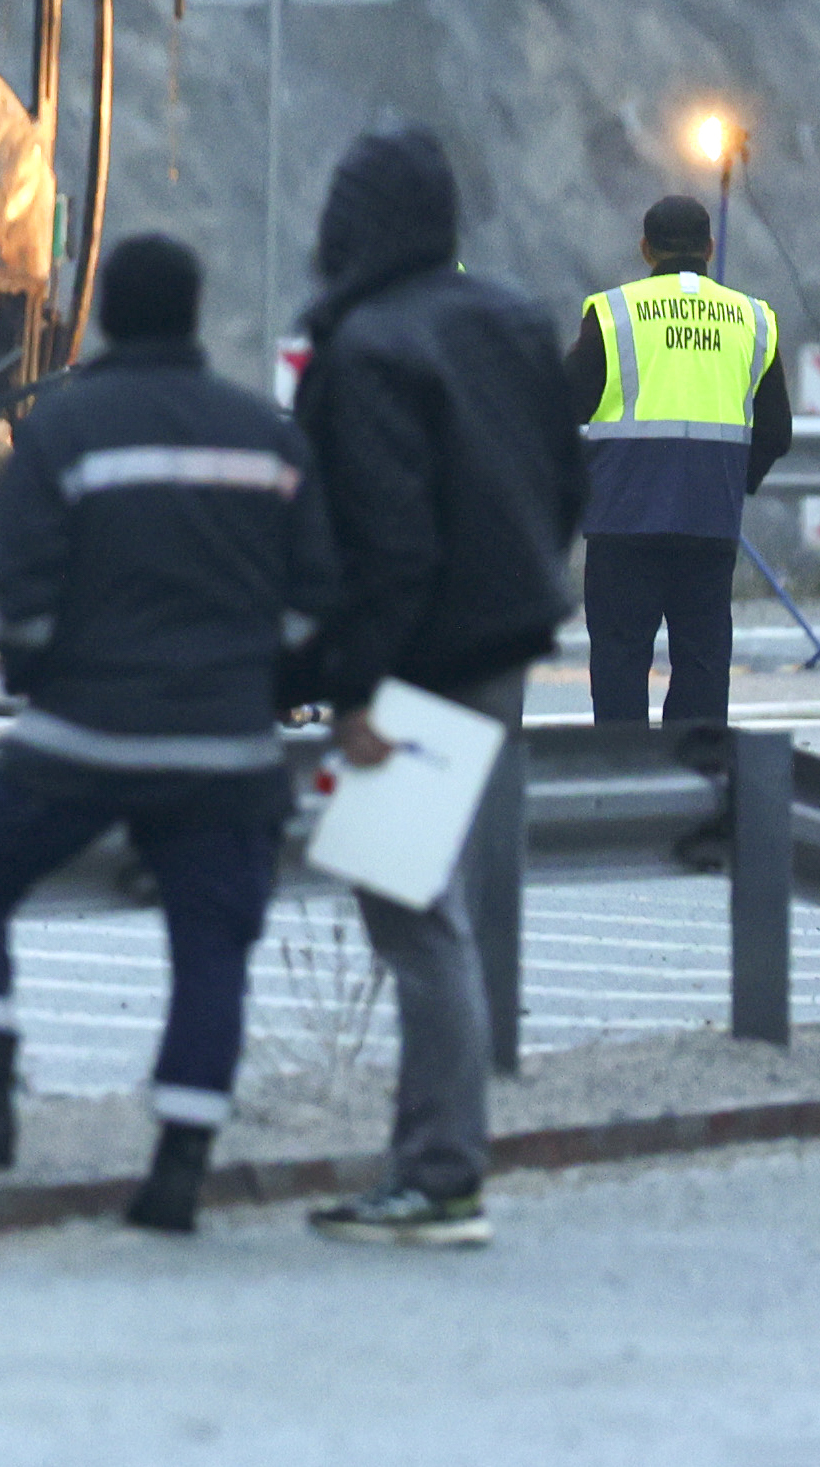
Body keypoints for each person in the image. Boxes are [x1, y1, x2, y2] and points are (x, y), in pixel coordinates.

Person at [0, 236, 337, 1234]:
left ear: (110, 313)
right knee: (211, 948)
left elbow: (22, 589)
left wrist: (41, 682)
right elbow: (313, 601)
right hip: (223, 750)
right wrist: (268, 689)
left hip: (84, 734)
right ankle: (179, 1164)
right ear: (194, 311)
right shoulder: (266, 438)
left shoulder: (66, 430)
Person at [290, 125, 583, 1248]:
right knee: (423, 897)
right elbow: (563, 476)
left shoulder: (366, 346)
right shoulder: (508, 313)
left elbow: (388, 541)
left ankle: (439, 1173)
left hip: (421, 655)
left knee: (411, 911)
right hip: (502, 639)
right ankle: (432, 1162)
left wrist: (357, 686)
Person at [566, 193, 787, 728]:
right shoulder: (752, 319)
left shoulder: (615, 314)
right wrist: (736, 480)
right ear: (711, 248)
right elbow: (776, 433)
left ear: (646, 249)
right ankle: (696, 789)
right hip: (709, 521)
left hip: (623, 522)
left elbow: (560, 410)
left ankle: (622, 785)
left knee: (619, 663)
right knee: (703, 665)